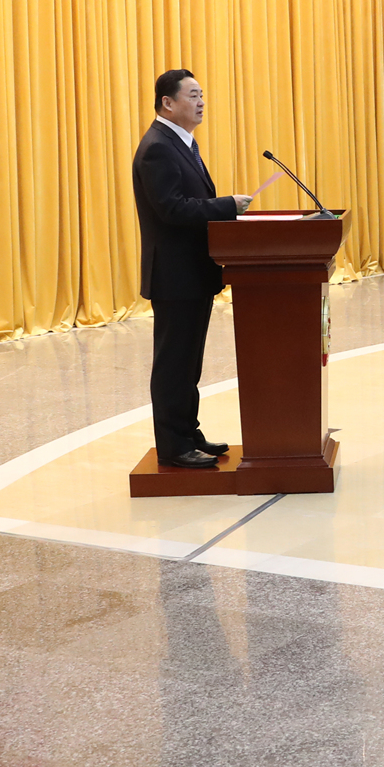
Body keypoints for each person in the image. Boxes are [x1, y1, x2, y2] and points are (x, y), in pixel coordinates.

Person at [133, 70, 252, 469]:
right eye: (193, 95)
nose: (201, 102)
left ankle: (188, 433)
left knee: (188, 364)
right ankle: (173, 446)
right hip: (174, 276)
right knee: (174, 363)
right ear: (168, 103)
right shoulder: (158, 147)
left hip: (193, 273)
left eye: (202, 95)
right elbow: (172, 209)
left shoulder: (180, 143)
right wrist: (226, 205)